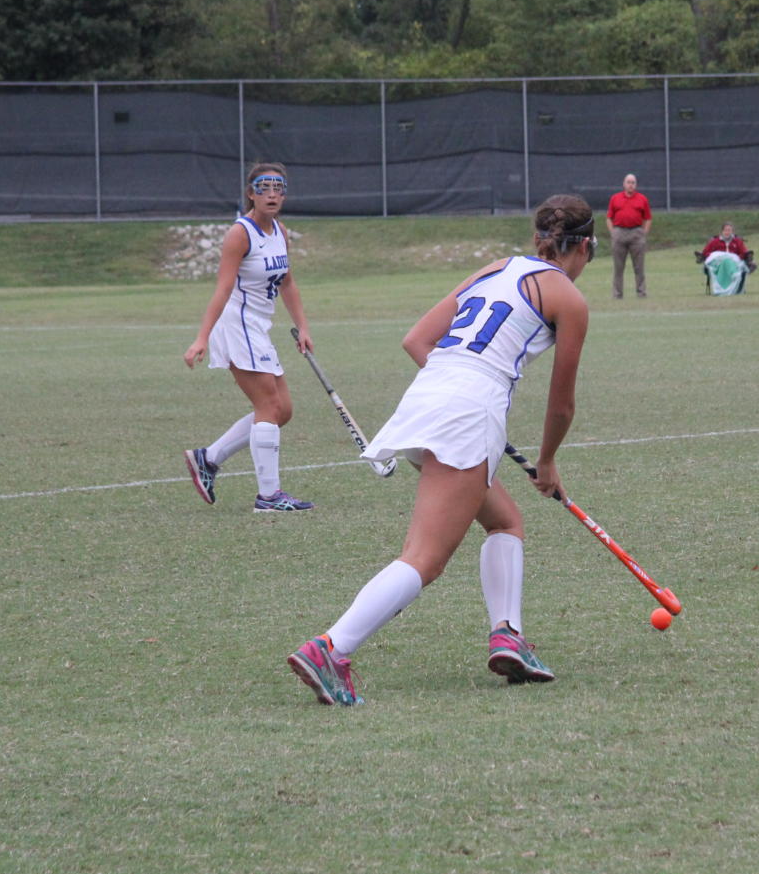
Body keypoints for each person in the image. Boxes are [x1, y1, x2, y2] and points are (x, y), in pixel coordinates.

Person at [287, 194, 595, 706]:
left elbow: (417, 341)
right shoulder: (570, 300)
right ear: (584, 245)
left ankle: (508, 634)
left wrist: (459, 396)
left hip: (430, 396)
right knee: (425, 558)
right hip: (467, 411)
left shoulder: (498, 267)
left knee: (505, 522)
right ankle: (330, 649)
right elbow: (562, 408)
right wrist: (546, 462)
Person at [182, 162, 315, 512]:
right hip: (237, 326)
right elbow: (223, 288)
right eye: (264, 187)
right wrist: (201, 338)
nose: (272, 194)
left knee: (281, 410)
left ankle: (208, 458)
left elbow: (287, 282)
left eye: (278, 188)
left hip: (259, 327)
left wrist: (302, 326)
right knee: (268, 407)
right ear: (251, 193)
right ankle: (269, 497)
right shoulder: (240, 234)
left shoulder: (280, 232)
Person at [607, 173, 651, 298]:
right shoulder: (615, 198)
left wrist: (643, 233)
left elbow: (647, 218)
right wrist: (613, 233)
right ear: (624, 184)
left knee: (639, 267)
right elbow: (609, 217)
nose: (631, 185)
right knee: (618, 267)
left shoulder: (642, 199)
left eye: (633, 182)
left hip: (636, 233)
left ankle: (641, 292)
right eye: (628, 182)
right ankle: (617, 294)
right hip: (619, 233)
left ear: (636, 185)